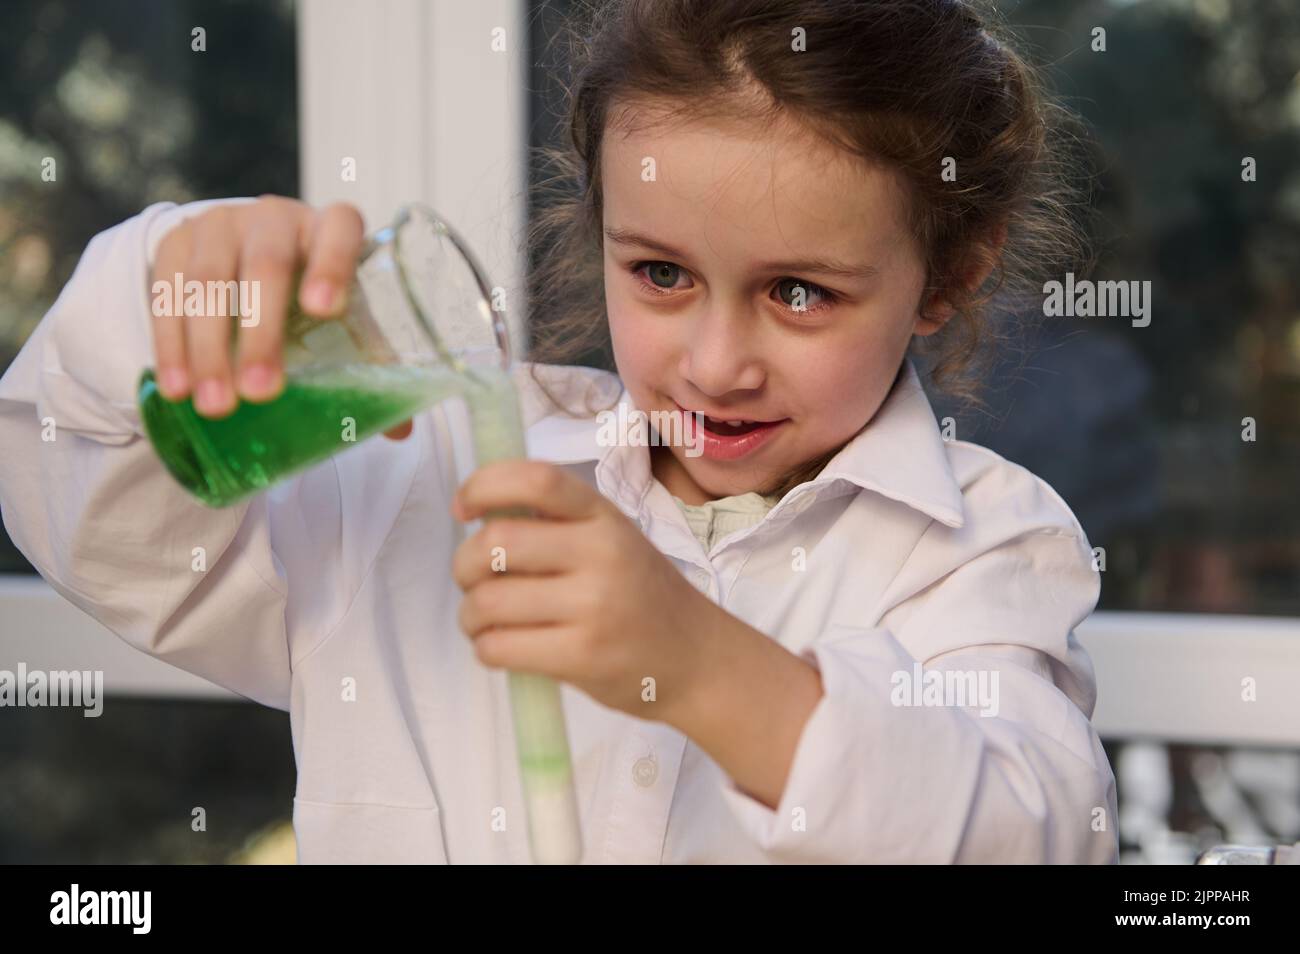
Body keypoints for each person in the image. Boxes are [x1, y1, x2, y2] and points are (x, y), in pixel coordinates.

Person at [0, 0, 1117, 863]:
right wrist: (155, 285)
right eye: (662, 273)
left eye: (798, 293)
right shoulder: (420, 473)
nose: (715, 362)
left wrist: (700, 666)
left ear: (948, 275)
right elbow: (67, 482)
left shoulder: (987, 551)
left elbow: (1030, 830)